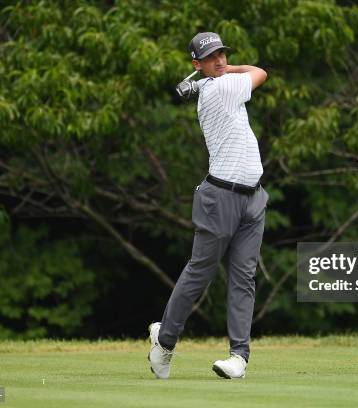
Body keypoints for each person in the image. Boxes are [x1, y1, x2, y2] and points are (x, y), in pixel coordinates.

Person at [148, 32, 269, 379]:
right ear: (196, 65)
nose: (220, 61)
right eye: (211, 57)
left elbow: (238, 75)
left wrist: (206, 79)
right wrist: (225, 73)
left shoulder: (213, 85)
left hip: (253, 197)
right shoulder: (221, 89)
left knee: (244, 278)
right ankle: (165, 342)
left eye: (222, 55)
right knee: (200, 273)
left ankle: (238, 358)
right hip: (221, 198)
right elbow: (260, 72)